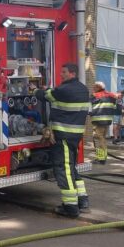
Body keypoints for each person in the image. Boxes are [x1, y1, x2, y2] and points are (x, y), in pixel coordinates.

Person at [35, 63, 90, 218]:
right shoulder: (83, 89)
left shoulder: (64, 90)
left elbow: (45, 96)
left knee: (63, 170)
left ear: (72, 73)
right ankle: (82, 200)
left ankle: (70, 207)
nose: (61, 74)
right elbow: (56, 94)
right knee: (71, 168)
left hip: (63, 136)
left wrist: (34, 90)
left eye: (64, 72)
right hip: (75, 135)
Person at [90, 81, 116, 164]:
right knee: (103, 138)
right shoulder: (111, 95)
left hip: (98, 121)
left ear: (98, 87)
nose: (93, 89)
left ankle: (101, 159)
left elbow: (89, 108)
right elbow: (114, 107)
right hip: (107, 120)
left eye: (94, 87)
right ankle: (103, 157)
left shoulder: (95, 96)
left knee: (98, 138)